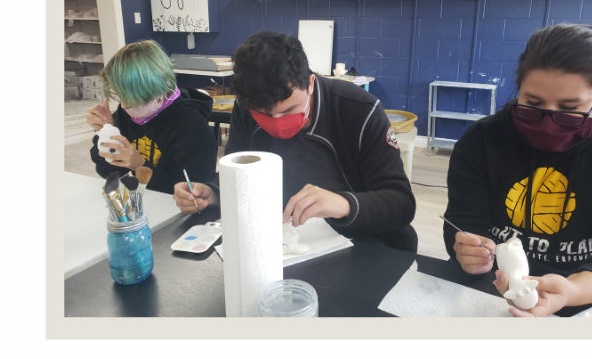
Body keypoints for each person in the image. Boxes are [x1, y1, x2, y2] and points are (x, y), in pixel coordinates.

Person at [175, 31, 417, 252]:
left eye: (289, 110)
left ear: (310, 83)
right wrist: (213, 192)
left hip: (358, 245)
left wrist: (343, 203)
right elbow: (238, 174)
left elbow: (401, 203)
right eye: (264, 115)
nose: (277, 122)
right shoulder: (246, 107)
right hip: (283, 243)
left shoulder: (359, 110)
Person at [443, 23, 592, 317]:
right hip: (492, 291)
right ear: (519, 90)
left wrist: (572, 291)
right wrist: (469, 253)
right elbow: (462, 222)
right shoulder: (482, 141)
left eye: (570, 109)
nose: (549, 123)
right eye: (532, 105)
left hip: (588, 299)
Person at [85, 40, 217, 195]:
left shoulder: (191, 125)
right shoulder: (129, 111)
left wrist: (139, 165)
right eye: (120, 95)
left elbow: (191, 193)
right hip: (145, 202)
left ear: (158, 95)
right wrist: (106, 133)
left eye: (130, 97)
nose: (123, 105)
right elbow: (107, 171)